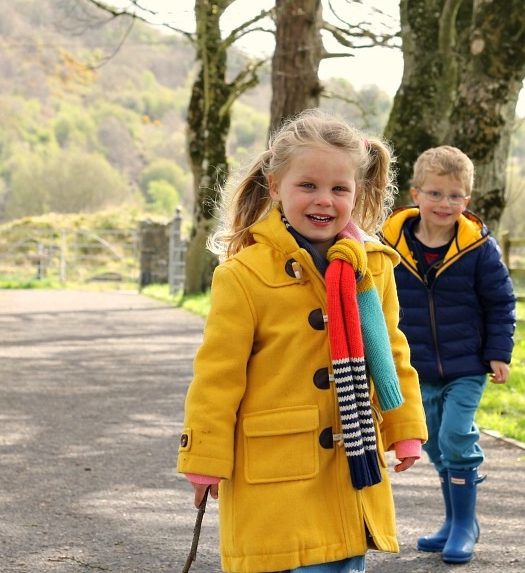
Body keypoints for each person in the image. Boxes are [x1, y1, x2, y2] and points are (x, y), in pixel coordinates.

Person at [177, 109, 428, 573]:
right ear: (275, 188)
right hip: (274, 474)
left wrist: (405, 426)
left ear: (357, 193)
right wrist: (204, 456)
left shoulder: (372, 267)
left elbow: (392, 350)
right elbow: (217, 375)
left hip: (348, 469)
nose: (324, 200)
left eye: (339, 188)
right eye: (307, 185)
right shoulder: (243, 275)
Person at [380, 145, 516, 564]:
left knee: (457, 435)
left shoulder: (478, 248)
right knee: (436, 444)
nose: (445, 204)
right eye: (436, 194)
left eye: (455, 196)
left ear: (467, 200)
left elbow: (500, 302)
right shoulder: (389, 246)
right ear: (416, 194)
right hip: (416, 367)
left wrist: (497, 351)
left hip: (467, 365)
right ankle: (454, 521)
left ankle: (465, 524)